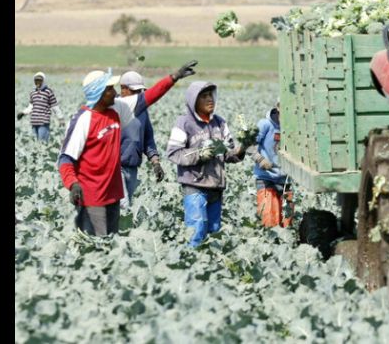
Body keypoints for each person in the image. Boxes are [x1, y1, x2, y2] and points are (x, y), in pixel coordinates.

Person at [57, 61, 197, 236]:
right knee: (93, 249)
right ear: (99, 93)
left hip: (113, 195)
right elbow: (65, 158)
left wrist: (174, 77)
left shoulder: (117, 108)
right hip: (92, 197)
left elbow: (148, 97)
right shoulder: (82, 120)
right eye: (110, 89)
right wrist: (72, 183)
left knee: (111, 244)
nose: (115, 92)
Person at [166, 81, 251, 247]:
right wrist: (200, 155)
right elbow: (173, 153)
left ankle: (212, 270)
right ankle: (190, 266)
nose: (210, 99)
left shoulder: (219, 123)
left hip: (216, 186)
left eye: (211, 95)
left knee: (214, 233)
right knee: (196, 232)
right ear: (193, 100)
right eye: (204, 96)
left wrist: (242, 148)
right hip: (195, 185)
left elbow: (228, 154)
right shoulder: (184, 123)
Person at [118, 71, 165, 209]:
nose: (139, 94)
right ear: (123, 89)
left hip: (132, 168)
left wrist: (155, 162)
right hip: (115, 167)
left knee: (126, 208)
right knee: (124, 206)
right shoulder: (114, 107)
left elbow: (148, 138)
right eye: (135, 91)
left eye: (140, 91)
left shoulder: (143, 111)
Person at [252, 102, 293, 228]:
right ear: (278, 107)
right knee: (269, 220)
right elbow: (248, 145)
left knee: (287, 224)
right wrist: (260, 159)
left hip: (286, 180)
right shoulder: (265, 124)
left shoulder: (294, 127)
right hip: (266, 178)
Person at [17, 72, 64, 142]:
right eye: (36, 80)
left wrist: (60, 118)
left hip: (43, 122)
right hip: (34, 122)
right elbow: (31, 106)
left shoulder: (48, 92)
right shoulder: (33, 92)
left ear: (43, 81)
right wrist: (23, 113)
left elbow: (54, 106)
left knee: (42, 143)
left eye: (40, 80)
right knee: (35, 144)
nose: (37, 82)